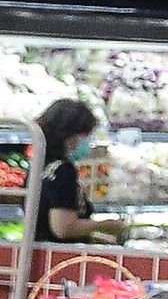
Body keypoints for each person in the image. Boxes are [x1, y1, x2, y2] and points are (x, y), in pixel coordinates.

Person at [32, 96, 117, 245]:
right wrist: (107, 226)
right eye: (86, 135)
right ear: (70, 136)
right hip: (61, 257)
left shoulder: (39, 164)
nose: (88, 142)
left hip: (39, 250)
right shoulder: (63, 171)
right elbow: (63, 228)